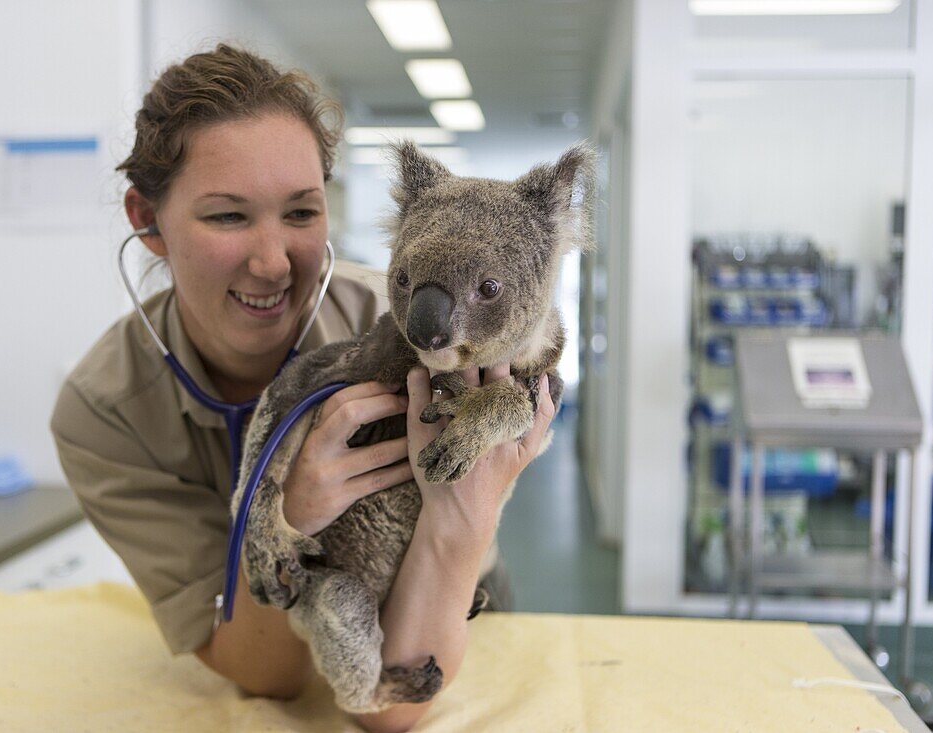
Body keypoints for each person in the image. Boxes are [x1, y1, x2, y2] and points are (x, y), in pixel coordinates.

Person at [50, 43, 555, 733]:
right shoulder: (103, 411)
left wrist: (457, 517)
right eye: (227, 215)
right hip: (301, 637)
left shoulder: (409, 323)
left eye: (300, 213)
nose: (271, 261)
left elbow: (398, 712)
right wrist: (286, 518)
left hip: (464, 593)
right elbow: (268, 675)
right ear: (147, 221)